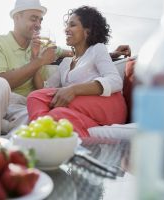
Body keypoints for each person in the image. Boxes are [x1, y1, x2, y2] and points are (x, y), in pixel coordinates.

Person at [0, 0, 130, 136]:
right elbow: (0, 81)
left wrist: (113, 54)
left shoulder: (46, 48)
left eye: (40, 20)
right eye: (33, 19)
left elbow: (83, 52)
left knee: (40, 119)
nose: (38, 24)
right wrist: (38, 62)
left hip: (20, 105)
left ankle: (11, 155)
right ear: (17, 17)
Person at [27, 6, 127, 138]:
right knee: (58, 115)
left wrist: (73, 89)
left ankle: (37, 135)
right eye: (67, 25)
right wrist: (35, 60)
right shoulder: (66, 63)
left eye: (72, 25)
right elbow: (45, 88)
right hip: (86, 112)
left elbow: (115, 81)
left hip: (109, 107)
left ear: (88, 31)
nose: (66, 29)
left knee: (34, 97)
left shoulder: (97, 49)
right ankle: (66, 146)